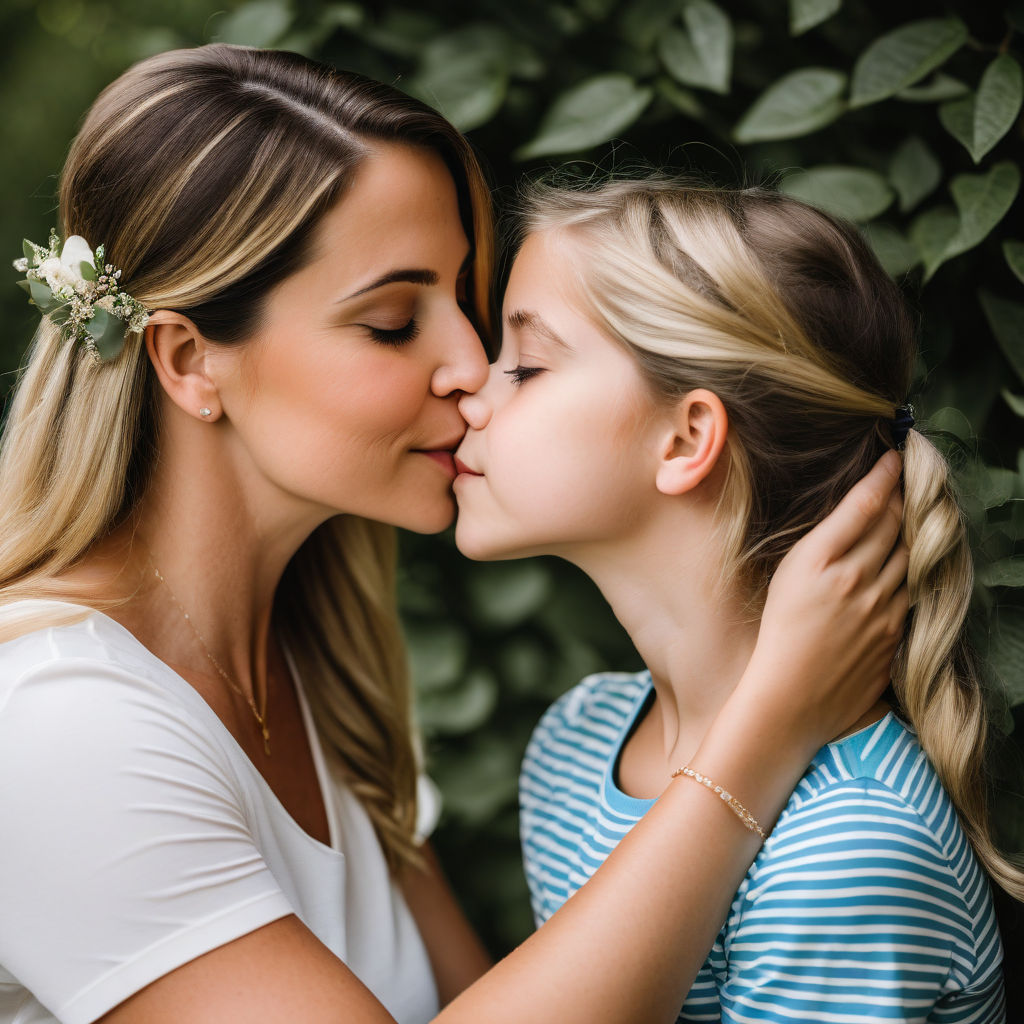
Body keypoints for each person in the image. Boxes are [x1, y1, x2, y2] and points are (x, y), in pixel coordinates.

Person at [0, 47, 908, 1024]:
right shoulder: (56, 723)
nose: (472, 365)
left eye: (465, 303)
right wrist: (763, 731)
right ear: (189, 362)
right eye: (394, 322)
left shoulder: (314, 671)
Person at [452, 176, 1020, 1022]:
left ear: (686, 439)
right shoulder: (575, 743)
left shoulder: (848, 847)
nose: (470, 393)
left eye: (527, 366)